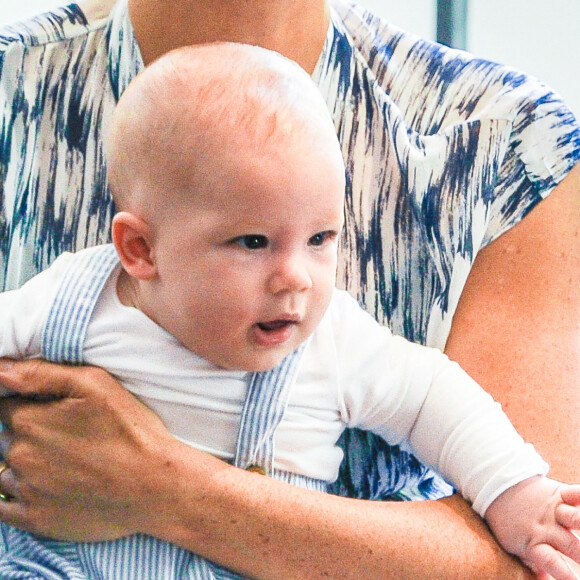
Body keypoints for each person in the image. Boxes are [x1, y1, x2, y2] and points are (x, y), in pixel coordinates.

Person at [0, 0, 578, 578]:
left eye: (322, 238)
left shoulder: (507, 151)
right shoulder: (75, 294)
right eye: (252, 242)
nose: (296, 277)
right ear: (140, 251)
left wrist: (517, 493)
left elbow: (437, 405)